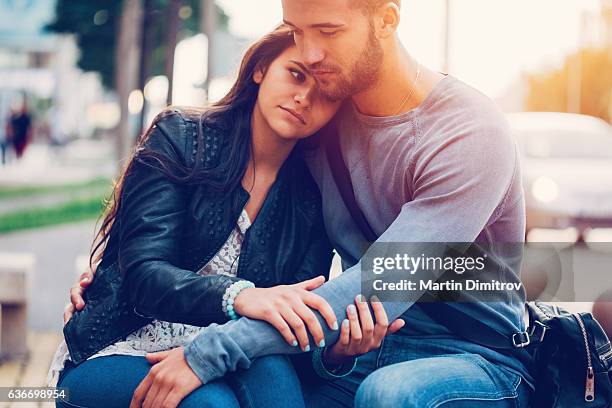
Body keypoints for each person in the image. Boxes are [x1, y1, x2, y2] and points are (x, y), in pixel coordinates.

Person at [68, 1, 534, 407]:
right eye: (296, 32)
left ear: (387, 20)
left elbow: (376, 282)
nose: (310, 54)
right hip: (362, 349)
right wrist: (113, 277)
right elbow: (286, 289)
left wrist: (208, 352)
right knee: (262, 384)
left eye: (327, 32)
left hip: (473, 353)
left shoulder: (469, 132)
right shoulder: (323, 129)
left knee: (388, 395)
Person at [54, 25, 403, 408]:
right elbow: (144, 275)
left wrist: (337, 355)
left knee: (273, 372)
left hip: (228, 356)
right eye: (296, 74)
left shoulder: (313, 195)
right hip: (120, 346)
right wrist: (241, 297)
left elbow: (292, 329)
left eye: (326, 92)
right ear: (261, 69)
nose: (304, 97)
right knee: (214, 404)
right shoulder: (182, 137)